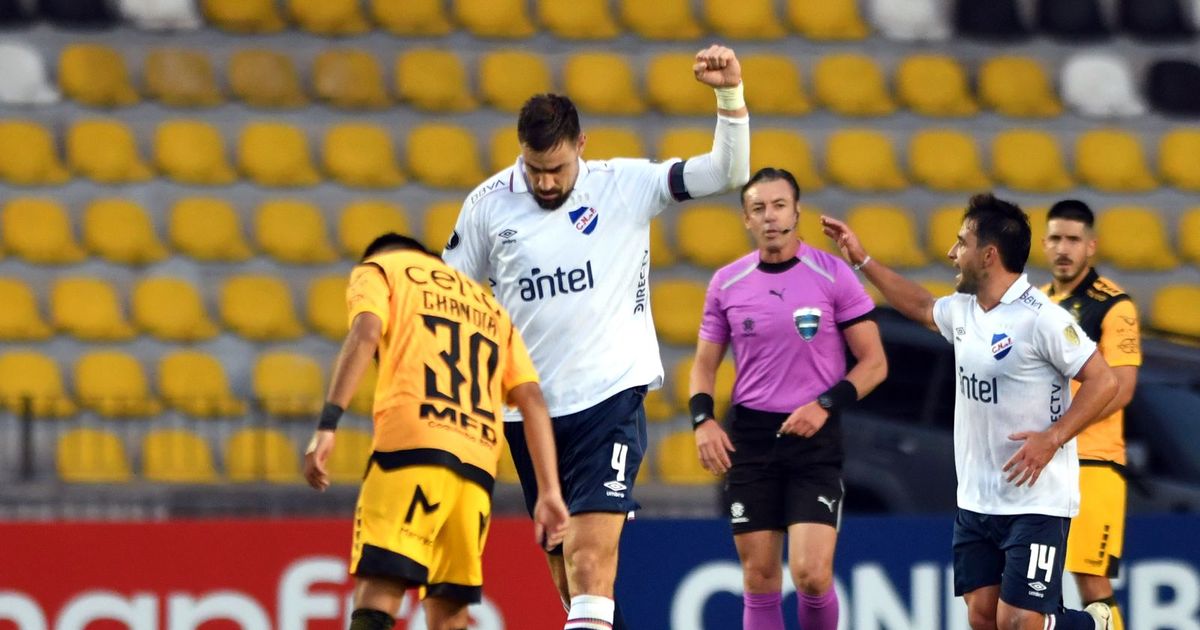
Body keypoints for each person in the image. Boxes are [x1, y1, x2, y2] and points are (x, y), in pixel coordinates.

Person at [441, 44, 750, 630]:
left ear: (582, 145)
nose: (546, 181)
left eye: (556, 168)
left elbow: (726, 173)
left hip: (610, 400)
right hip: (528, 416)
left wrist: (729, 95)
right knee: (571, 580)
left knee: (588, 560)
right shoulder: (486, 206)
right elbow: (452, 299)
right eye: (534, 170)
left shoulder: (624, 186)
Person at [820, 194, 1119, 630]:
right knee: (983, 619)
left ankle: (1091, 625)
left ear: (989, 254)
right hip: (977, 499)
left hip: (1036, 500)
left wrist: (1052, 438)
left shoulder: (1042, 319)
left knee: (1018, 621)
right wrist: (862, 259)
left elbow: (1104, 381)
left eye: (961, 242)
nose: (951, 253)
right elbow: (922, 306)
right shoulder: (964, 311)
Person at [302, 233, 569, 630]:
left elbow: (366, 333)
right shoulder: (490, 307)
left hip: (411, 449)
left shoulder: (379, 269)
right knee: (451, 612)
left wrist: (328, 424)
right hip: (477, 468)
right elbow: (531, 398)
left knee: (381, 585)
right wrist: (549, 492)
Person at [688, 167, 887, 630]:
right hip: (753, 439)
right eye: (759, 208)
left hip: (814, 438)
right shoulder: (727, 283)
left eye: (779, 206)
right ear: (746, 219)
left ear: (796, 211)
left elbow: (874, 362)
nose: (770, 217)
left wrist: (825, 405)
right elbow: (703, 365)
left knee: (811, 576)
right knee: (759, 579)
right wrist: (702, 419)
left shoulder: (832, 274)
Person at [1042, 200, 1141, 630]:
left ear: (1091, 246)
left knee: (1090, 579)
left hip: (1093, 461)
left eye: (1073, 239)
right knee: (1038, 581)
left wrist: (1064, 427)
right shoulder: (1037, 304)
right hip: (1044, 460)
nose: (1063, 248)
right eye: (1055, 238)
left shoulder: (1114, 305)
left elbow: (1121, 388)